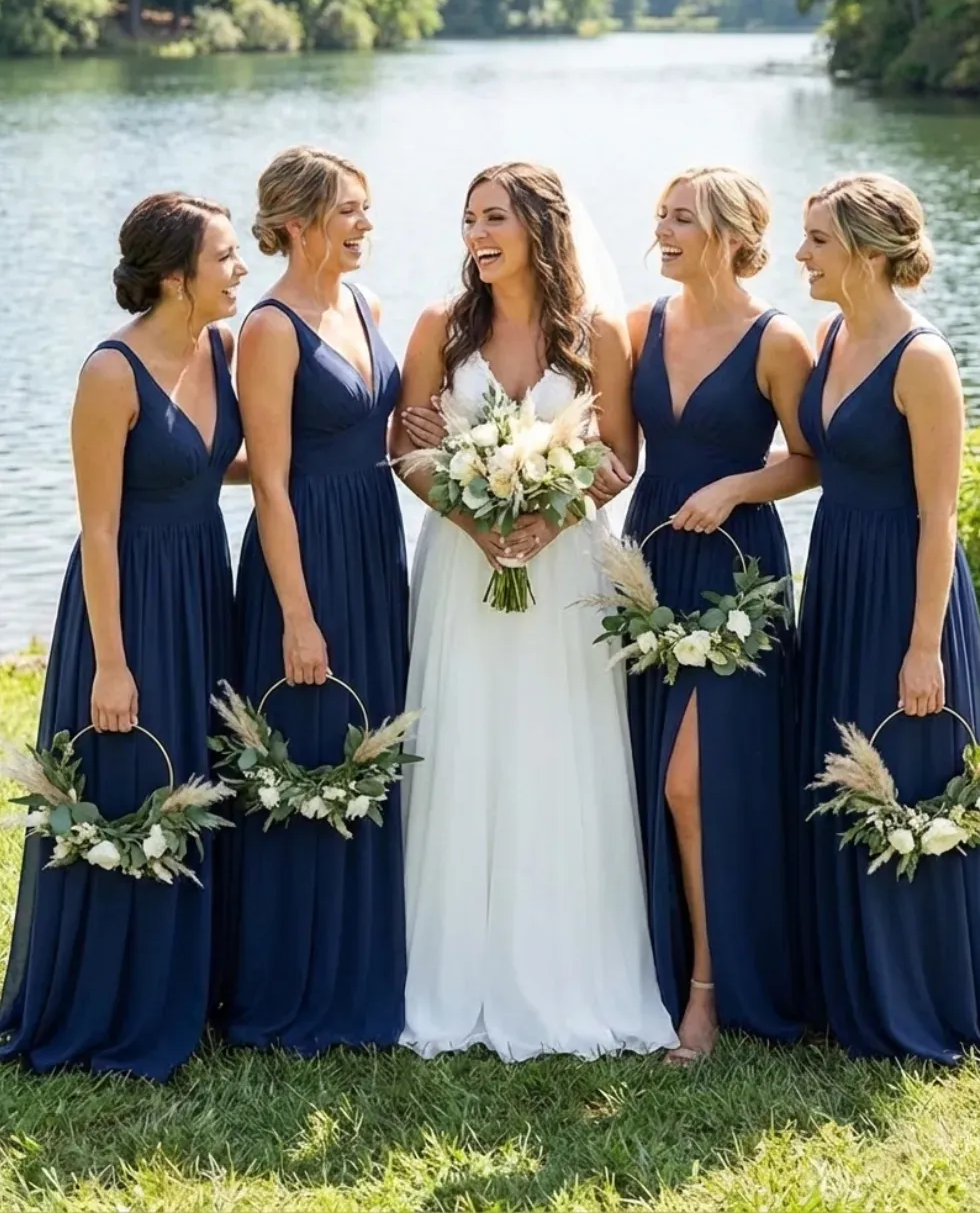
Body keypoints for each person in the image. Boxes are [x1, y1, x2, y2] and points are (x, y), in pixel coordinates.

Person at [393, 161, 677, 1060]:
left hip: (562, 568)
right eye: (469, 217)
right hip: (461, 565)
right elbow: (406, 446)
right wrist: (474, 518)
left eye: (495, 218)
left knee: (556, 750)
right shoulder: (441, 327)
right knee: (464, 742)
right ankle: (453, 970)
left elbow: (621, 456)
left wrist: (546, 518)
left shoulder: (595, 331)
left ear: (541, 228)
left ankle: (565, 968)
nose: (477, 234)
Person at [0, 193, 245, 1080]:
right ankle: (104, 1000)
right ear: (175, 278)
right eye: (225, 256)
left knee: (192, 778)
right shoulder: (110, 373)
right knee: (123, 780)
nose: (240, 269)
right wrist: (111, 663)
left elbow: (215, 459)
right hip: (128, 598)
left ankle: (184, 986)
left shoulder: (218, 349)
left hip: (199, 590)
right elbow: (97, 526)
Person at [796, 171, 980, 1062]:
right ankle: (851, 991)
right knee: (845, 767)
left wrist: (925, 647)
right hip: (837, 574)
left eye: (817, 242)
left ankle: (927, 1001)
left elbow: (938, 516)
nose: (800, 255)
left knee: (911, 772)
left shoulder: (924, 360)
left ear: (869, 256)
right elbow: (813, 460)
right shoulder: (830, 333)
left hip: (907, 589)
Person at [218, 146, 408, 1052]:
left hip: (374, 546)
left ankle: (369, 964)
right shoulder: (269, 328)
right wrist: (297, 615)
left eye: (367, 210)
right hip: (305, 557)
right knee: (306, 748)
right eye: (350, 211)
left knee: (371, 741)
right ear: (296, 223)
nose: (366, 224)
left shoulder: (363, 304)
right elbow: (270, 484)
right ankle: (291, 980)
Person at [625, 166, 815, 1063]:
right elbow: (606, 443)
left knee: (693, 783)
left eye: (682, 219)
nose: (662, 231)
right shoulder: (640, 325)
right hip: (651, 560)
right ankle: (649, 970)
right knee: (646, 772)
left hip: (736, 569)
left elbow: (810, 459)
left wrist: (740, 483)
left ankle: (707, 993)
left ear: (734, 234)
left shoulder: (779, 340)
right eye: (660, 216)